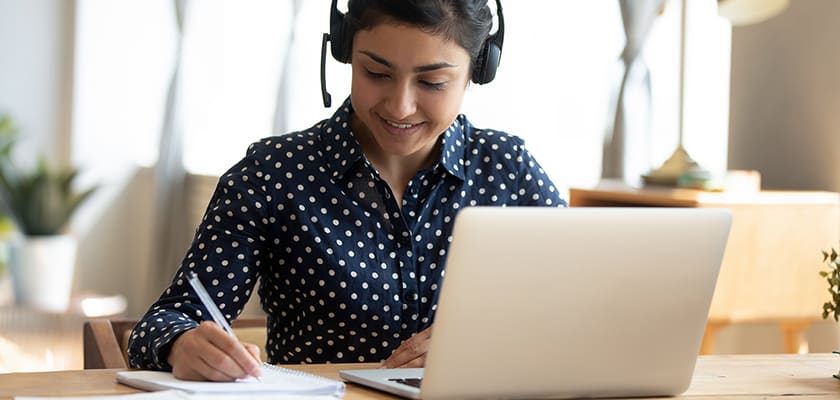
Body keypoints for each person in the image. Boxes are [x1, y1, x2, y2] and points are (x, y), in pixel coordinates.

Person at [128, 0, 566, 382]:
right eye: (376, 72)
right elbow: (165, 321)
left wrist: (487, 343)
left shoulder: (508, 170)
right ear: (344, 55)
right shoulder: (274, 174)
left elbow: (583, 309)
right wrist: (181, 344)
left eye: (432, 83)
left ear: (478, 71)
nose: (400, 106)